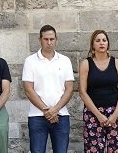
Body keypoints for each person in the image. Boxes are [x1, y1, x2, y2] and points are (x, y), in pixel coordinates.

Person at [21, 24, 75, 153]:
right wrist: (48, 111)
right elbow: (28, 89)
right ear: (40, 40)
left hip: (61, 115)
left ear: (56, 40)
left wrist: (55, 110)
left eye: (52, 39)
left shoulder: (65, 60)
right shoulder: (30, 61)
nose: (49, 42)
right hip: (37, 116)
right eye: (46, 39)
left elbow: (69, 89)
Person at [79, 29, 118, 153]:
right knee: (93, 150)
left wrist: (115, 115)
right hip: (93, 113)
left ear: (108, 44)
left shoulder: (117, 63)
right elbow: (82, 92)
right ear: (93, 45)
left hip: (116, 112)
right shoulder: (86, 64)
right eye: (98, 40)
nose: (101, 43)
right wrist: (99, 115)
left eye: (104, 40)